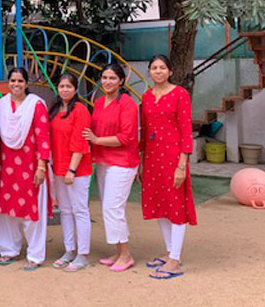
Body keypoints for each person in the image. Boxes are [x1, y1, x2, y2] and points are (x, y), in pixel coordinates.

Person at [140, 54, 197, 279]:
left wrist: (182, 165)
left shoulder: (180, 94)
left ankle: (175, 260)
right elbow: (144, 130)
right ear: (149, 72)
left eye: (162, 67)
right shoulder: (146, 97)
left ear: (170, 71)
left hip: (173, 157)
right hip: (152, 158)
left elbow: (186, 130)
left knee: (175, 205)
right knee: (160, 204)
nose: (158, 71)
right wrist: (142, 162)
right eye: (154, 67)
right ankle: (170, 252)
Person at [82, 63, 139, 272]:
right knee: (109, 208)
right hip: (104, 161)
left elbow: (126, 137)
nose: (107, 82)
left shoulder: (127, 104)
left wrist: (97, 140)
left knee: (112, 208)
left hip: (123, 162)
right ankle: (118, 251)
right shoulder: (98, 102)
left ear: (121, 81)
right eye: (104, 78)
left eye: (112, 78)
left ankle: (126, 254)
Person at [0, 66, 50, 272]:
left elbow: (43, 137)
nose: (16, 84)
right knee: (7, 209)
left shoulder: (35, 105)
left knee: (31, 210)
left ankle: (35, 255)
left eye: (20, 81)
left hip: (31, 165)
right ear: (8, 83)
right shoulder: (0, 106)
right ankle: (9, 250)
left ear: (26, 84)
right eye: (13, 81)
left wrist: (41, 166)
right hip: (7, 166)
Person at [49, 73, 92, 272]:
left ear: (75, 89)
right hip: (58, 167)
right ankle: (69, 250)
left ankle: (82, 254)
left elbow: (80, 142)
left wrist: (72, 170)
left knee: (80, 210)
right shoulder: (55, 109)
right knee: (65, 211)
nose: (65, 90)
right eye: (62, 86)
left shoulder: (80, 110)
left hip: (77, 169)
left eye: (69, 86)